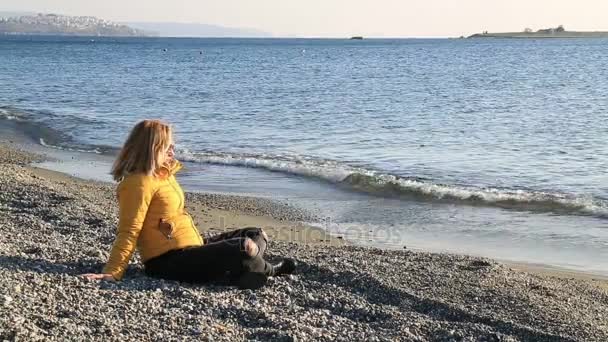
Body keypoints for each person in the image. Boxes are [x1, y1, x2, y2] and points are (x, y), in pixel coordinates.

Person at [81, 120, 296, 289]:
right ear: (153, 147)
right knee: (241, 246)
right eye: (168, 146)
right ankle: (267, 270)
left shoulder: (164, 175)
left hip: (192, 247)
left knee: (254, 233)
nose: (173, 150)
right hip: (168, 262)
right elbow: (129, 230)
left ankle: (246, 269)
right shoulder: (137, 183)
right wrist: (114, 271)